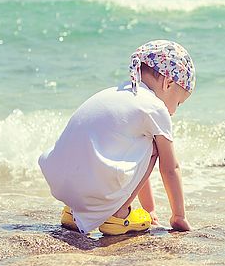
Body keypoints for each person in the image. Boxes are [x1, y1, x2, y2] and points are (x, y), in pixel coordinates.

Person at [38, 40, 195, 235]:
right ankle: (119, 214)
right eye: (179, 103)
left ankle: (73, 212)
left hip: (62, 187)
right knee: (153, 146)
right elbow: (170, 168)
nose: (175, 111)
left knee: (135, 143)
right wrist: (178, 217)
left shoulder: (113, 93)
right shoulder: (155, 107)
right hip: (92, 190)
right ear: (168, 83)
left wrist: (149, 212)